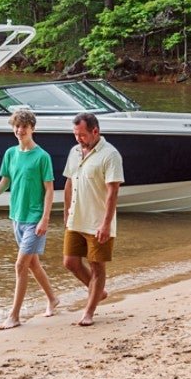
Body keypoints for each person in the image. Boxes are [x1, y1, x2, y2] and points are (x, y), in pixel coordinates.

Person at [0, 108, 58, 329]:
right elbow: (5, 182)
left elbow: (49, 190)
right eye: (17, 126)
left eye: (24, 126)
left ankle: (14, 316)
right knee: (32, 265)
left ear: (32, 128)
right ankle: (52, 299)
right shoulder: (10, 153)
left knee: (20, 265)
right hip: (17, 217)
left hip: (35, 218)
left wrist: (45, 219)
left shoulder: (42, 157)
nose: (20, 130)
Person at [62, 111, 124, 326]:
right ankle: (98, 292)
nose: (78, 138)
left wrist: (106, 224)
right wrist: (66, 211)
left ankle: (89, 311)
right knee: (70, 262)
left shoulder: (110, 155)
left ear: (95, 131)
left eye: (82, 134)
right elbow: (69, 183)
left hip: (98, 222)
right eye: (75, 134)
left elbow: (112, 191)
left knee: (97, 266)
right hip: (76, 218)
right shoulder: (74, 152)